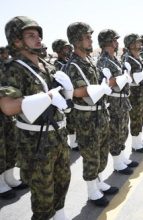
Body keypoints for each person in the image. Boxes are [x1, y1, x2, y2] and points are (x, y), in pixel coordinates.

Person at [1, 16, 71, 219]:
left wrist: (67, 90)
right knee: (42, 196)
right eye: (30, 35)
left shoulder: (46, 66)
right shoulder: (11, 69)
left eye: (38, 34)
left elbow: (64, 100)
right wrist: (47, 97)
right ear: (16, 41)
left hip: (58, 135)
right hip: (36, 144)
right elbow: (8, 107)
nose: (38, 38)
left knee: (62, 182)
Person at [64, 22, 118, 207]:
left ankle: (99, 181)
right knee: (91, 155)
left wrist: (104, 86)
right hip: (86, 118)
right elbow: (75, 92)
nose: (90, 40)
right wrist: (99, 88)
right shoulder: (72, 65)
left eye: (89, 36)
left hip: (101, 114)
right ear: (76, 40)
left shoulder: (90, 61)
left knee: (102, 151)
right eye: (86, 37)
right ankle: (91, 191)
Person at [96, 29, 137, 175]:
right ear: (107, 42)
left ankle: (122, 157)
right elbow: (105, 82)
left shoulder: (114, 59)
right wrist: (122, 79)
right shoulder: (103, 61)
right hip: (113, 102)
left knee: (123, 130)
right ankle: (117, 163)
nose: (117, 42)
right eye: (114, 40)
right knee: (116, 132)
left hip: (122, 100)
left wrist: (126, 77)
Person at [122, 34, 143, 153]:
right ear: (131, 44)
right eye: (137, 42)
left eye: (140, 42)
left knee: (141, 117)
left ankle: (139, 141)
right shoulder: (127, 59)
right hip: (134, 93)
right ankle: (135, 144)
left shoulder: (138, 57)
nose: (140, 44)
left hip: (141, 91)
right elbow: (128, 77)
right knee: (135, 118)